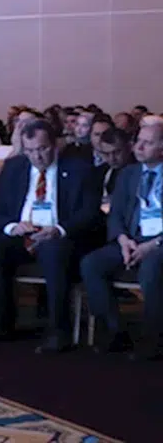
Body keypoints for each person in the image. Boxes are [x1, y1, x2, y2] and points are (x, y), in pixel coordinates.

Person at [0, 119, 98, 352]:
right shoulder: (14, 168)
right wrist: (13, 226)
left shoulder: (79, 169)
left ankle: (58, 329)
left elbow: (89, 213)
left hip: (59, 236)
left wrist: (59, 229)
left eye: (42, 149)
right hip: (23, 233)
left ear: (55, 145)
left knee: (54, 252)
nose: (37, 156)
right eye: (30, 150)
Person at [81, 123, 163, 359]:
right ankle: (114, 330)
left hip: (158, 242)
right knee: (92, 264)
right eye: (139, 141)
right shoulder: (129, 173)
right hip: (132, 239)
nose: (139, 147)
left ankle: (153, 339)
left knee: (152, 267)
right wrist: (123, 239)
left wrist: (153, 245)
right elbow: (116, 214)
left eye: (147, 143)